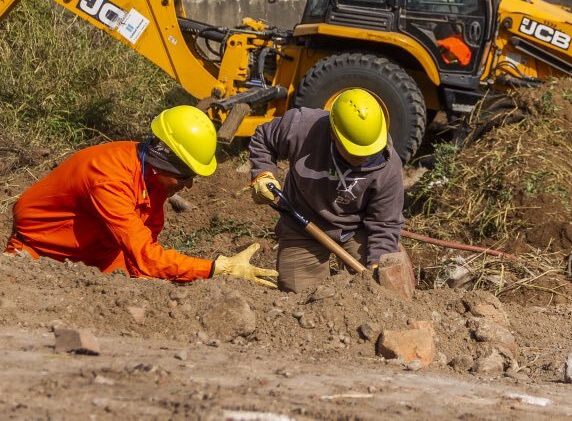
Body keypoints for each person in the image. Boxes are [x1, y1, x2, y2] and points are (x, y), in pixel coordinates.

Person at [5, 106, 276, 286]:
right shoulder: (109, 178)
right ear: (164, 164)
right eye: (185, 177)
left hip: (99, 254)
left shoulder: (152, 176)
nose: (190, 186)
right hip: (40, 255)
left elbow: (145, 246)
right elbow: (146, 255)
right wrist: (217, 268)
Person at [249, 88, 404, 292]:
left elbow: (384, 223)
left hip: (356, 230)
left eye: (369, 152)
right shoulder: (301, 127)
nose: (363, 159)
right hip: (301, 223)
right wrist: (263, 173)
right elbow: (264, 138)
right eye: (355, 152)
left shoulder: (389, 166)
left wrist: (377, 265)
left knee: (371, 291)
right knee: (300, 296)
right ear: (333, 133)